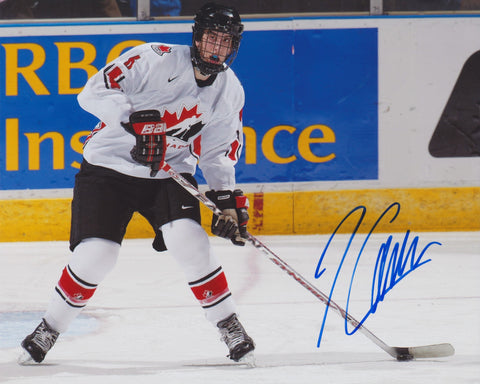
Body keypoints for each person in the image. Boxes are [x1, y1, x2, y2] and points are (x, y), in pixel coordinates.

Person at [19, 2, 255, 365]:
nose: (216, 49)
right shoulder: (152, 58)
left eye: (225, 42)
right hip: (108, 168)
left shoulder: (229, 91)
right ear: (196, 37)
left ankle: (228, 323)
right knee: (98, 255)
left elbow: (219, 151)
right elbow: (92, 93)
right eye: (211, 38)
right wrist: (132, 119)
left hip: (168, 173)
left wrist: (225, 200)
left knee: (188, 240)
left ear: (234, 47)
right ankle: (49, 326)